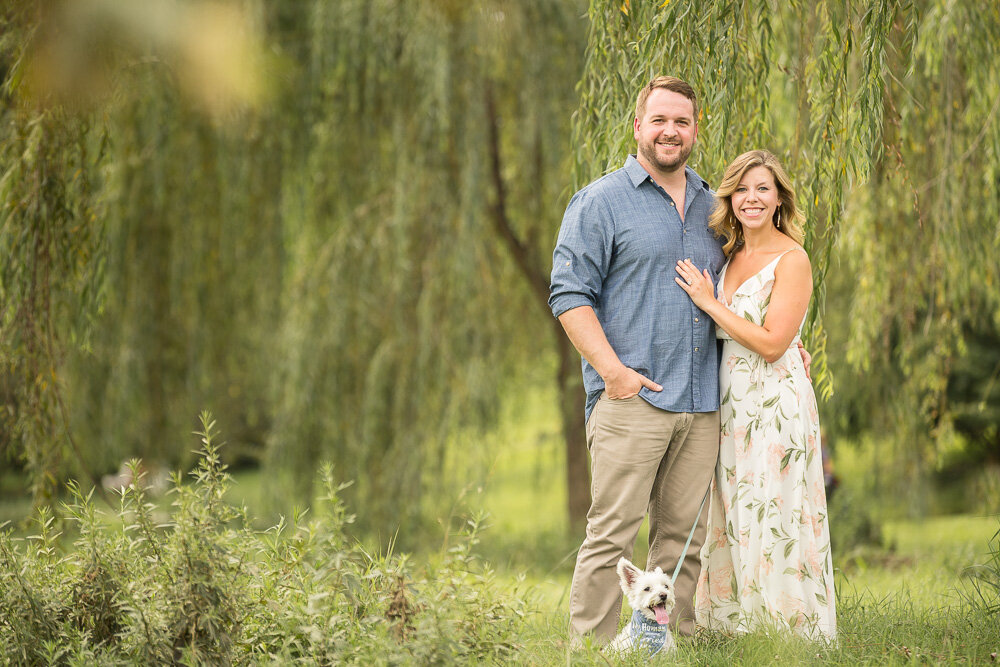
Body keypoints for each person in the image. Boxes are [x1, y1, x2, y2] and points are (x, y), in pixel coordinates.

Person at [548, 75, 726, 643]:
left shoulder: (713, 207)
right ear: (638, 127)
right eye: (659, 120)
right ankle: (593, 650)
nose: (670, 131)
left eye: (682, 121)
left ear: (695, 130)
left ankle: (671, 646)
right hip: (633, 401)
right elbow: (568, 295)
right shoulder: (600, 201)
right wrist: (614, 374)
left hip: (701, 405)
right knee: (613, 535)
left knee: (684, 541)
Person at [674, 150, 836, 640]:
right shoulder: (728, 254)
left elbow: (770, 344)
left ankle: (789, 632)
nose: (751, 199)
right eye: (742, 189)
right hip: (732, 404)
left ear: (779, 198)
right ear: (730, 198)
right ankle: (735, 626)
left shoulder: (793, 258)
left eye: (762, 189)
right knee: (736, 509)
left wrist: (708, 302)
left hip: (775, 403)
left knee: (776, 509)